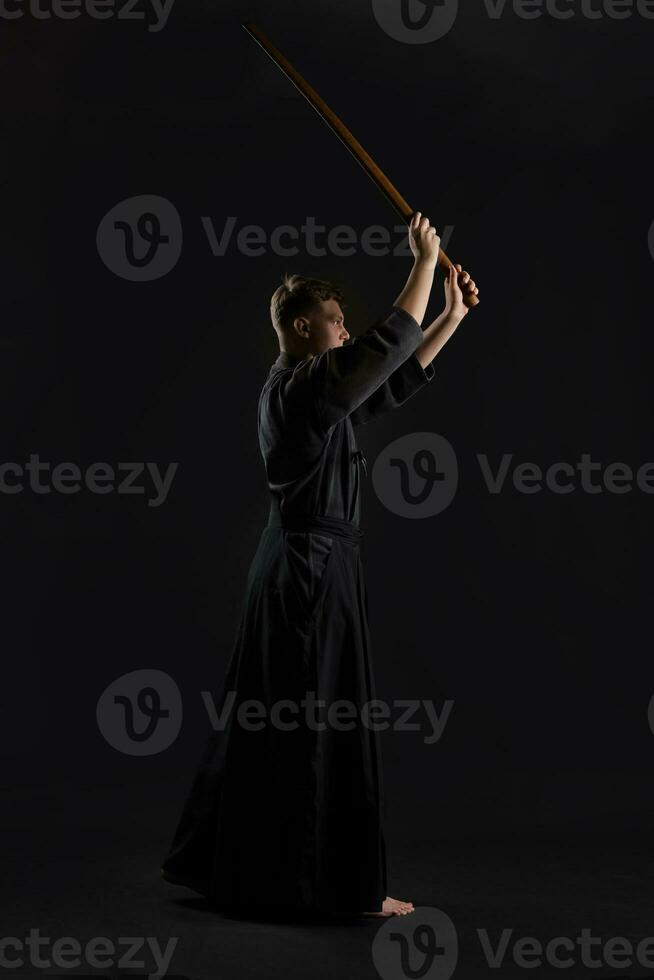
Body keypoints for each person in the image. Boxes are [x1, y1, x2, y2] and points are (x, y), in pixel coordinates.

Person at [161, 212, 479, 918]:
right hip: (304, 571)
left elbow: (391, 379)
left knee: (314, 721)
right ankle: (318, 887)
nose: (343, 329)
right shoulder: (299, 388)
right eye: (334, 321)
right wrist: (423, 263)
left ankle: (329, 880)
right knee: (310, 722)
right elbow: (381, 348)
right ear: (304, 328)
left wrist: (451, 313)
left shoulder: (312, 398)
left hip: (313, 566)